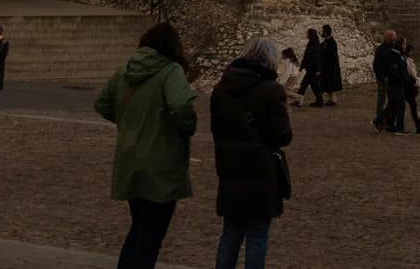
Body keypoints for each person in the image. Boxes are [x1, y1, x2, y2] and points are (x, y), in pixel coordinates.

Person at [96, 22, 198, 269]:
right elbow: (180, 106)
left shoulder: (126, 68)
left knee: (139, 229)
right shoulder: (170, 70)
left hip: (129, 159)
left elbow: (102, 103)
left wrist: (130, 122)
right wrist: (187, 125)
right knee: (151, 237)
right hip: (160, 165)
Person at [210, 36, 292, 269]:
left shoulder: (221, 89)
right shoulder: (271, 90)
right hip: (261, 170)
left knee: (231, 233)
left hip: (230, 167)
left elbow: (217, 129)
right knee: (257, 235)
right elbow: (283, 136)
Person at [373, 29, 407, 134]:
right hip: (384, 79)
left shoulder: (391, 50)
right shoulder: (381, 50)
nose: (394, 41)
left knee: (391, 102)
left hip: (391, 79)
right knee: (384, 100)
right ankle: (380, 120)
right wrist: (382, 77)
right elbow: (377, 66)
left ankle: (387, 121)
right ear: (388, 39)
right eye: (393, 39)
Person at [400, 36, 420, 134]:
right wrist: (416, 81)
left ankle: (418, 125)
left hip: (408, 86)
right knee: (410, 106)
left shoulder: (407, 60)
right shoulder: (407, 61)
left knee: (408, 106)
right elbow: (411, 74)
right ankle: (418, 125)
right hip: (408, 87)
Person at [316, 25, 342, 105]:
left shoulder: (331, 42)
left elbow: (330, 56)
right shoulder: (326, 42)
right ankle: (331, 100)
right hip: (326, 67)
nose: (322, 32)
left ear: (325, 32)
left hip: (330, 68)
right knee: (327, 85)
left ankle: (331, 100)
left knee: (328, 85)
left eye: (323, 31)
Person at [300, 30, 324, 106]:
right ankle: (319, 101)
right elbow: (306, 56)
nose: (306, 34)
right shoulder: (311, 43)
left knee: (304, 85)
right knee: (314, 86)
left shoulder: (315, 44)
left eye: (307, 33)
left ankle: (297, 100)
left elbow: (317, 58)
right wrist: (302, 66)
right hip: (310, 69)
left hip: (312, 69)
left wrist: (318, 69)